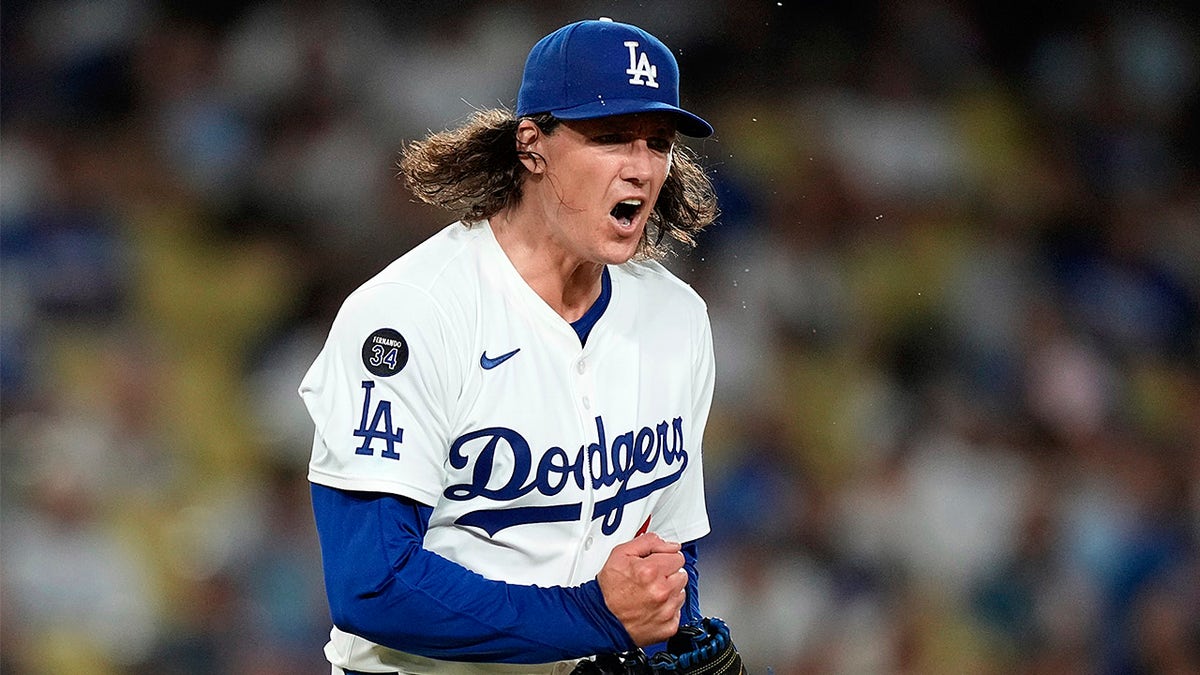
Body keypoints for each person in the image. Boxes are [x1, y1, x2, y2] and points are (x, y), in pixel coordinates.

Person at [299, 16, 719, 675]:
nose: (640, 169)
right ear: (532, 146)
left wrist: (673, 636)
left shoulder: (677, 316)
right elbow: (372, 584)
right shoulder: (411, 314)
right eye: (610, 138)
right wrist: (594, 618)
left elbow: (667, 553)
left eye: (658, 143)